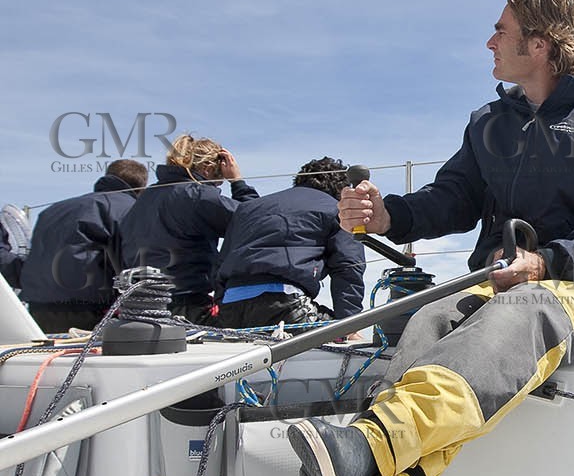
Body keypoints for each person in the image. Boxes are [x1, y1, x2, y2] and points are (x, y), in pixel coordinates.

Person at [288, 0, 574, 476]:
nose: (489, 42)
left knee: (516, 314)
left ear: (539, 43)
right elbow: (451, 199)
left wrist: (544, 261)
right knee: (429, 319)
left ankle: (369, 446)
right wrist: (388, 214)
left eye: (501, 31)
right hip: (493, 280)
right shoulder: (488, 123)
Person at [119, 134, 258, 323]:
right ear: (207, 169)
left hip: (139, 304)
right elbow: (257, 221)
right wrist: (237, 182)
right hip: (185, 303)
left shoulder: (144, 198)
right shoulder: (197, 195)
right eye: (218, 182)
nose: (217, 187)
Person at [215, 157, 365, 328]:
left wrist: (221, 305)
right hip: (286, 307)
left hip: (230, 309)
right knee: (339, 331)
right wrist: (350, 325)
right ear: (341, 191)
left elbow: (221, 263)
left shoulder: (247, 209)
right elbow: (348, 266)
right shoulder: (337, 210)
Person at [19, 160, 148, 333]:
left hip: (37, 310)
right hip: (91, 312)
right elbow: (132, 261)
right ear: (141, 187)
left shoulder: (52, 211)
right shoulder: (131, 209)